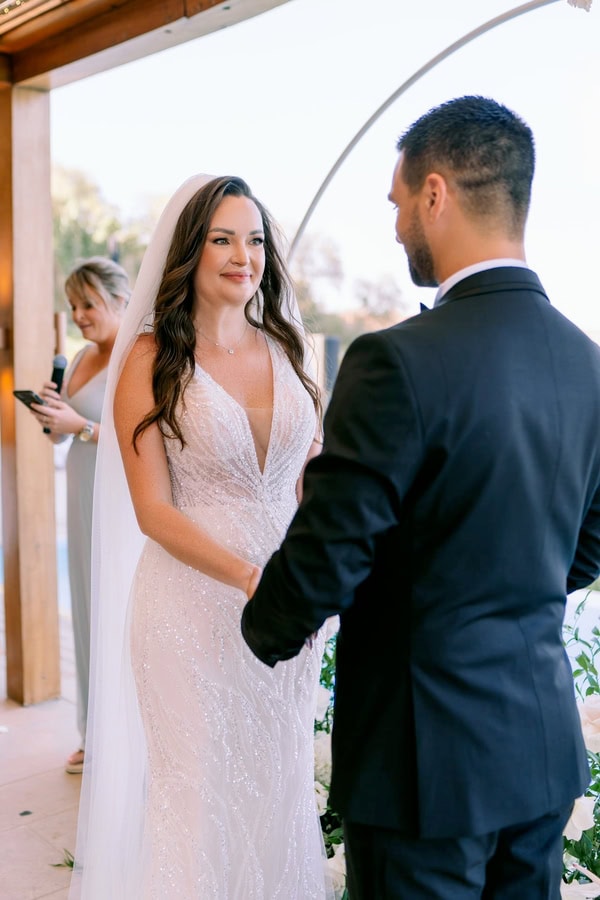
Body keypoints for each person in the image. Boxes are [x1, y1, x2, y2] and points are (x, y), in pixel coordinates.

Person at [241, 95, 600, 899]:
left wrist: (261, 629)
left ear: (435, 193)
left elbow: (333, 550)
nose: (398, 223)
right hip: (539, 748)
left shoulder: (394, 361)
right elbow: (591, 540)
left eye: (399, 202)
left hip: (421, 760)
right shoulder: (589, 362)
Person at [69, 174, 331, 899]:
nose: (242, 255)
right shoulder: (150, 361)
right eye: (222, 238)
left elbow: (315, 481)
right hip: (188, 609)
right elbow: (153, 510)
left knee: (278, 781)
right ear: (190, 251)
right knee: (197, 792)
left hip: (288, 612)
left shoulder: (291, 348)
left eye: (254, 239)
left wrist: (315, 579)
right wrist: (253, 578)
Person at [28, 256, 130, 775]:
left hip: (120, 495)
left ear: (120, 300)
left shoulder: (137, 355)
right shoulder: (81, 356)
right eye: (73, 306)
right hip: (81, 486)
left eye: (88, 303)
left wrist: (82, 425)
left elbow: (146, 441)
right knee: (87, 606)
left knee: (116, 609)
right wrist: (55, 418)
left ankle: (123, 734)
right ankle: (91, 730)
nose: (79, 315)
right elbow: (62, 433)